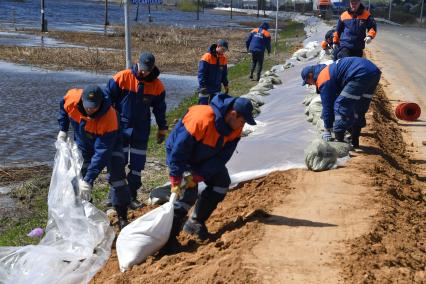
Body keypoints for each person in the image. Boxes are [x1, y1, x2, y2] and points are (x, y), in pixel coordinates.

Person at [163, 93, 256, 252]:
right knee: (186, 195)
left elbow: (222, 157)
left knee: (221, 182)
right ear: (233, 114)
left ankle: (195, 222)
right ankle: (168, 240)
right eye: (242, 121)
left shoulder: (235, 129)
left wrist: (200, 175)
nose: (242, 125)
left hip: (207, 157)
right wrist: (176, 177)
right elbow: (179, 150)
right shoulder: (201, 119)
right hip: (184, 158)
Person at [57, 85, 131, 228]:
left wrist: (90, 179)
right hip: (84, 142)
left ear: (101, 102)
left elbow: (102, 152)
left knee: (117, 178)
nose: (90, 109)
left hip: (111, 143)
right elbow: (63, 108)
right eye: (87, 106)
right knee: (79, 178)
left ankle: (122, 216)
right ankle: (85, 215)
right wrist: (63, 129)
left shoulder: (109, 118)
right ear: (82, 100)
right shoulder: (72, 99)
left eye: (94, 106)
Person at [105, 52, 168, 209]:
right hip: (121, 127)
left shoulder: (157, 86)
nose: (144, 72)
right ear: (137, 63)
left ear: (152, 68)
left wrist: (162, 128)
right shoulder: (122, 78)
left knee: (137, 165)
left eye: (147, 70)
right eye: (142, 69)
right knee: (118, 162)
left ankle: (132, 195)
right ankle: (113, 196)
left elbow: (160, 109)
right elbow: (107, 99)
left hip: (141, 128)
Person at [301, 57, 381, 148]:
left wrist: (327, 129)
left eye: (308, 82)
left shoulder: (323, 79)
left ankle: (339, 141)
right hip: (373, 72)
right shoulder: (328, 71)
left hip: (359, 73)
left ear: (310, 75)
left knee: (341, 104)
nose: (310, 85)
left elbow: (328, 106)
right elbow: (332, 99)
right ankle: (355, 140)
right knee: (358, 107)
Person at [198, 39, 229, 105]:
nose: (224, 52)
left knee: (214, 108)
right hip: (205, 87)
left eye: (225, 50)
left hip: (216, 88)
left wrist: (226, 85)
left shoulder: (224, 59)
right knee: (202, 107)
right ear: (218, 46)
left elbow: (224, 74)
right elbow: (201, 73)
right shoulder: (207, 57)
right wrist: (202, 86)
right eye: (223, 49)